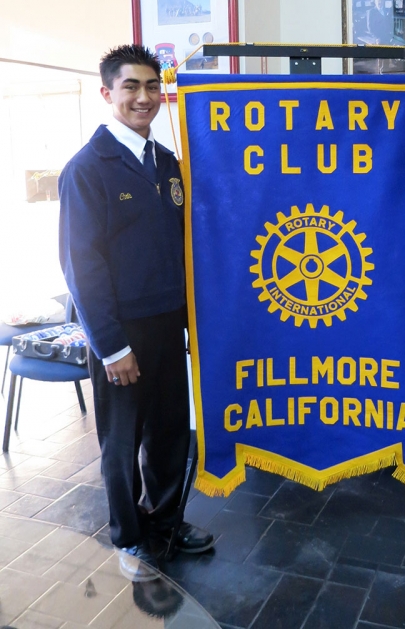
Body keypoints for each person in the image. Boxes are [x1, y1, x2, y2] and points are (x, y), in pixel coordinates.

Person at [58, 44, 214, 582]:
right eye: (131, 87)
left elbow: (181, 245)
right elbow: (82, 266)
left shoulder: (166, 162)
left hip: (170, 323)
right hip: (122, 333)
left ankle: (166, 522)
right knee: (123, 443)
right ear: (108, 94)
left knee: (171, 432)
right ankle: (129, 539)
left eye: (152, 86)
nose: (143, 97)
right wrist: (111, 345)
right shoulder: (87, 169)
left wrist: (192, 321)